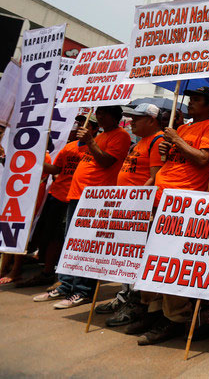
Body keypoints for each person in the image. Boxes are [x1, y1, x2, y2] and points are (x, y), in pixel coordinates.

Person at [134, 87, 209, 346]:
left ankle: (175, 318)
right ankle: (152, 311)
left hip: (182, 207)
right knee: (152, 262)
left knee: (171, 264)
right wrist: (168, 147)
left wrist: (177, 140)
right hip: (159, 202)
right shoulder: (181, 129)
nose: (189, 103)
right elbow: (172, 159)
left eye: (196, 100)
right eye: (190, 98)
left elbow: (203, 159)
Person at [33, 106, 130, 309]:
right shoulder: (101, 136)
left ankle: (83, 291)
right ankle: (66, 285)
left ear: (115, 116)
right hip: (77, 195)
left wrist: (91, 141)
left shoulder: (120, 136)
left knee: (87, 246)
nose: (99, 116)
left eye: (103, 113)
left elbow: (105, 162)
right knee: (71, 244)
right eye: (99, 112)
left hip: (96, 198)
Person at [96, 103, 163, 327]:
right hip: (128, 207)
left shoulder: (158, 140)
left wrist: (138, 202)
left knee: (136, 258)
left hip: (141, 209)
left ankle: (135, 305)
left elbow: (156, 177)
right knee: (125, 256)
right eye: (131, 117)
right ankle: (124, 295)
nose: (132, 121)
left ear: (152, 120)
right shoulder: (140, 142)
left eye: (137, 118)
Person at [17, 116, 98, 288]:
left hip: (76, 198)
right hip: (56, 195)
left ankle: (62, 278)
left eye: (86, 124)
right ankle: (49, 272)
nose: (79, 127)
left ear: (94, 129)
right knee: (51, 236)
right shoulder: (69, 147)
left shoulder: (96, 148)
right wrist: (37, 161)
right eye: (78, 123)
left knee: (66, 238)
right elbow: (57, 169)